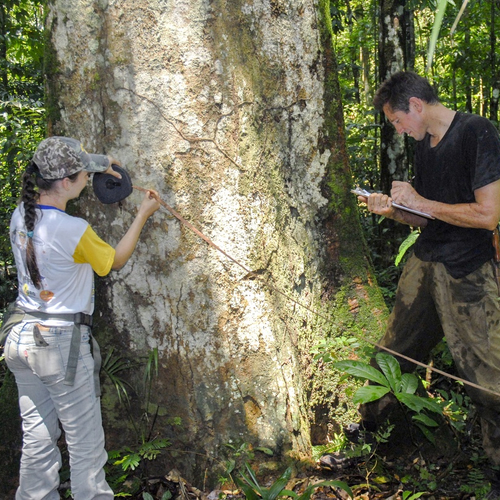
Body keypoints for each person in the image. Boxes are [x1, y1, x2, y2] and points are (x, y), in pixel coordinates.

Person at [355, 71, 500, 495]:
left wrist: (420, 202)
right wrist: (393, 210)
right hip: (425, 262)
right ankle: (378, 437)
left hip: (467, 270)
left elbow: (488, 215)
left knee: (487, 373)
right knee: (393, 352)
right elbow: (426, 215)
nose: (398, 130)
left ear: (416, 106)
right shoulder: (426, 146)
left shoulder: (477, 133)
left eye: (398, 121)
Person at [3, 136, 161, 499]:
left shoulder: (20, 215)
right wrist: (142, 214)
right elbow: (114, 261)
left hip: (21, 338)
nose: (88, 179)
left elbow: (77, 165)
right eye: (83, 175)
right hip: (60, 346)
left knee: (38, 440)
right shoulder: (72, 231)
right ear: (65, 182)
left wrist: (102, 162)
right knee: (86, 446)